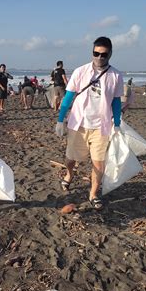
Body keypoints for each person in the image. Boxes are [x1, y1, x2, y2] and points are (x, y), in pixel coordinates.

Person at [55, 36, 123, 210]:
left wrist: (117, 123)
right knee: (71, 158)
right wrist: (60, 119)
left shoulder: (116, 75)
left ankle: (93, 194)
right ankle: (69, 174)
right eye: (96, 53)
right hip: (79, 124)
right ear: (92, 52)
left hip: (102, 127)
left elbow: (116, 101)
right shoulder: (80, 71)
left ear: (110, 54)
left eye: (104, 54)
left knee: (98, 162)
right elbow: (68, 96)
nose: (100, 57)